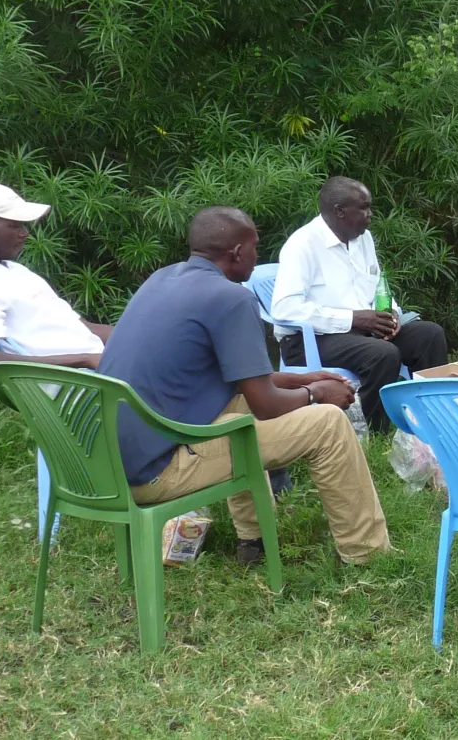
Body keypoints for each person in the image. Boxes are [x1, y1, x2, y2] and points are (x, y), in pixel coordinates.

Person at [100, 207, 392, 566]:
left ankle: (254, 543)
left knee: (237, 407)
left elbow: (240, 382)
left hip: (110, 463)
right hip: (156, 472)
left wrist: (303, 378)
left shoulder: (162, 280)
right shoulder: (232, 298)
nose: (259, 255)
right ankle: (368, 554)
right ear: (237, 253)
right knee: (328, 425)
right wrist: (318, 394)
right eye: (255, 247)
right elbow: (266, 404)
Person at [271, 177, 449, 432]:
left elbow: (377, 285)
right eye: (364, 208)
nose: (370, 215)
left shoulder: (362, 239)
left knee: (429, 334)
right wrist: (353, 319)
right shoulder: (302, 245)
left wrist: (392, 315)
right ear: (339, 211)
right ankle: (379, 432)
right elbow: (285, 309)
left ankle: (434, 421)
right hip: (310, 340)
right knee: (382, 354)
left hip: (358, 333)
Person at [0, 182, 111, 383]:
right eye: (14, 225)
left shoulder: (14, 271)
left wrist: (138, 334)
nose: (25, 233)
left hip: (107, 372)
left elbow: (83, 328)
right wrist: (85, 360)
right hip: (85, 387)